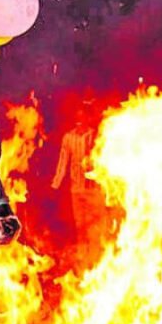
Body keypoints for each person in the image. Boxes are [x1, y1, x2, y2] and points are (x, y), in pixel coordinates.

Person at [51, 100, 109, 260]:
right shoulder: (68, 138)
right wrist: (56, 184)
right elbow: (63, 161)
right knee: (80, 225)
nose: (79, 122)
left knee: (96, 226)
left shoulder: (95, 137)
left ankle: (98, 256)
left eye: (82, 118)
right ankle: (83, 256)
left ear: (88, 119)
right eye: (77, 119)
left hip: (94, 190)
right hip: (76, 189)